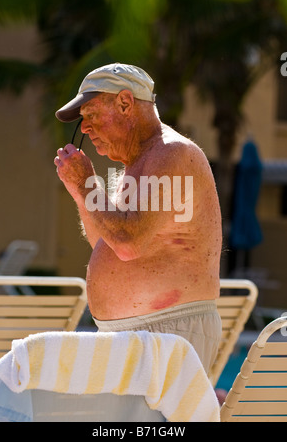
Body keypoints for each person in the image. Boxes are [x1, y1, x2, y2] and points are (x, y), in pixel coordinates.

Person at [54, 63, 222, 374]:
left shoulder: (170, 153)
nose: (85, 128)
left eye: (90, 114)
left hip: (167, 331)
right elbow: (108, 242)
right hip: (148, 334)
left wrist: (86, 184)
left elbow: (129, 244)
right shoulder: (140, 161)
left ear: (125, 103)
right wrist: (81, 193)